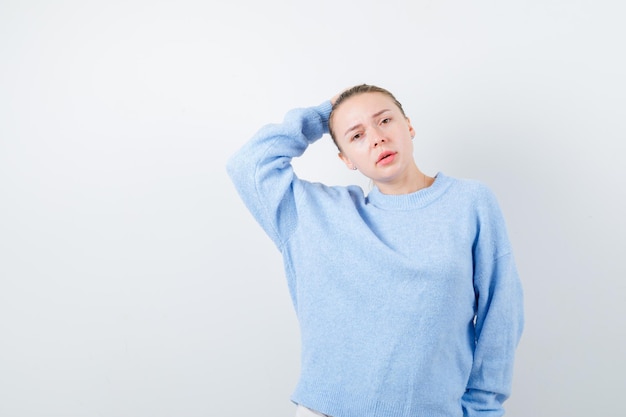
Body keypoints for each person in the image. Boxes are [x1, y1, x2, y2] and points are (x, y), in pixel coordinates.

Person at [226, 84, 524, 417]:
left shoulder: (470, 203)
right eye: (356, 136)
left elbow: (501, 313)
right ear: (345, 159)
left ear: (408, 126)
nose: (377, 138)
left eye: (384, 121)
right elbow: (248, 165)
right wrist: (322, 114)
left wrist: (483, 407)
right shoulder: (317, 215)